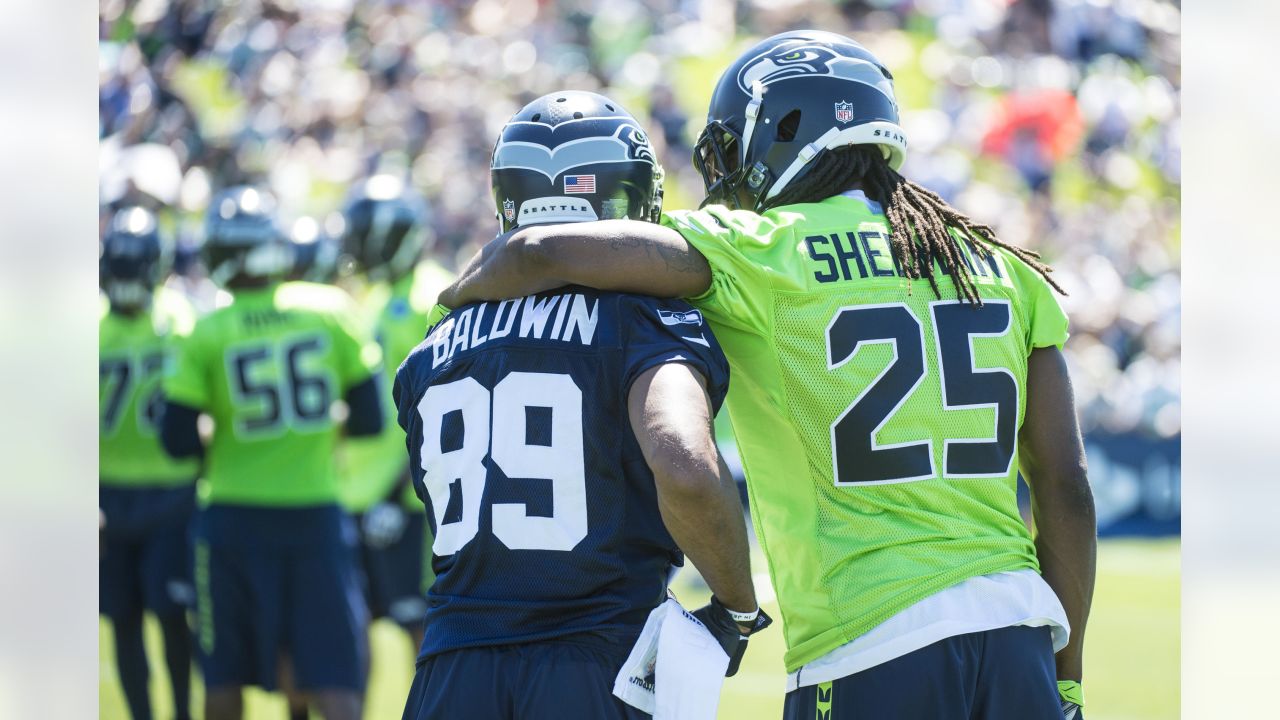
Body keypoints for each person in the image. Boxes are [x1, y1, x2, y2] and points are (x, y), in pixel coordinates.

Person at [438, 31, 1096, 720]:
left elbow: (542, 248)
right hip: (1019, 630)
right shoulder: (999, 264)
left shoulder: (762, 251)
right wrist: (1067, 678)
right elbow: (1065, 487)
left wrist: (454, 300)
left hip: (869, 640)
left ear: (781, 131)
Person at [396, 91, 769, 720]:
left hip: (449, 670)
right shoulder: (646, 317)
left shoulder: (434, 344)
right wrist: (736, 606)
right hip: (596, 665)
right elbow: (682, 463)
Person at [159, 186, 383, 720]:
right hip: (316, 514)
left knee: (223, 680)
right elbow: (370, 417)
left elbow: (178, 442)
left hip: (234, 518)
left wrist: (226, 431)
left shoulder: (203, 328)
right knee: (333, 681)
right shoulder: (329, 312)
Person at [334, 174, 452, 659]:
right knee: (348, 628)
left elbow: (440, 409)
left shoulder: (433, 295)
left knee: (420, 628)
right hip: (362, 489)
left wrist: (396, 487)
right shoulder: (379, 296)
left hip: (406, 497)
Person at [99, 206, 198, 720]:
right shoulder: (94, 327)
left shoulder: (179, 321)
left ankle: (181, 713)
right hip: (108, 496)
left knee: (172, 614)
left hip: (171, 493)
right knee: (123, 617)